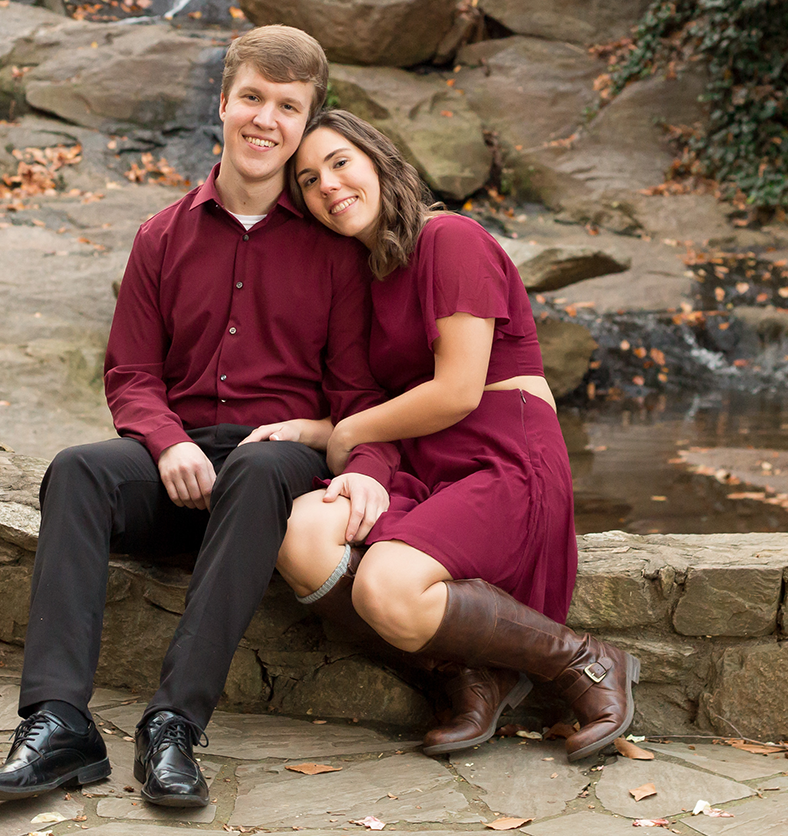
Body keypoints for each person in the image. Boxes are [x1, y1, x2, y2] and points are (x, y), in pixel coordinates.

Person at [0, 27, 398, 807]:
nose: (266, 119)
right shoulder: (161, 235)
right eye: (254, 99)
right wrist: (165, 443)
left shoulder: (336, 256)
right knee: (77, 469)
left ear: (307, 124)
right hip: (184, 469)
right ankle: (60, 723)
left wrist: (367, 470)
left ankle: (173, 725)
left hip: (277, 472)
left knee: (264, 465)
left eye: (288, 107)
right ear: (224, 103)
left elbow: (357, 396)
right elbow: (131, 373)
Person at [258, 109, 638, 762]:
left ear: (379, 160)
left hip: (504, 452)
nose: (328, 186)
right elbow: (378, 407)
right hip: (425, 462)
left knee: (385, 584)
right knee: (301, 536)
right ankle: (466, 669)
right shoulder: (363, 278)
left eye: (340, 162)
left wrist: (344, 431)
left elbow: (458, 390)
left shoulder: (450, 239)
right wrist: (326, 433)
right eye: (310, 179)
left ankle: (584, 661)